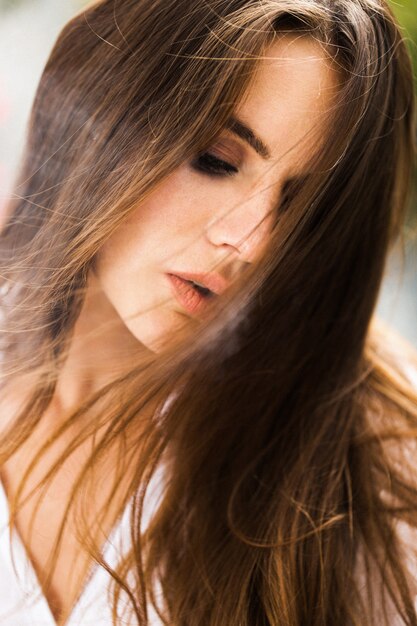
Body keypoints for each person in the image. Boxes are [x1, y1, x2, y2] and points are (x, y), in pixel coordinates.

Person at [0, 0, 416, 624]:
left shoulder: (376, 477)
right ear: (103, 114)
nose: (251, 243)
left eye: (302, 211)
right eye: (216, 160)